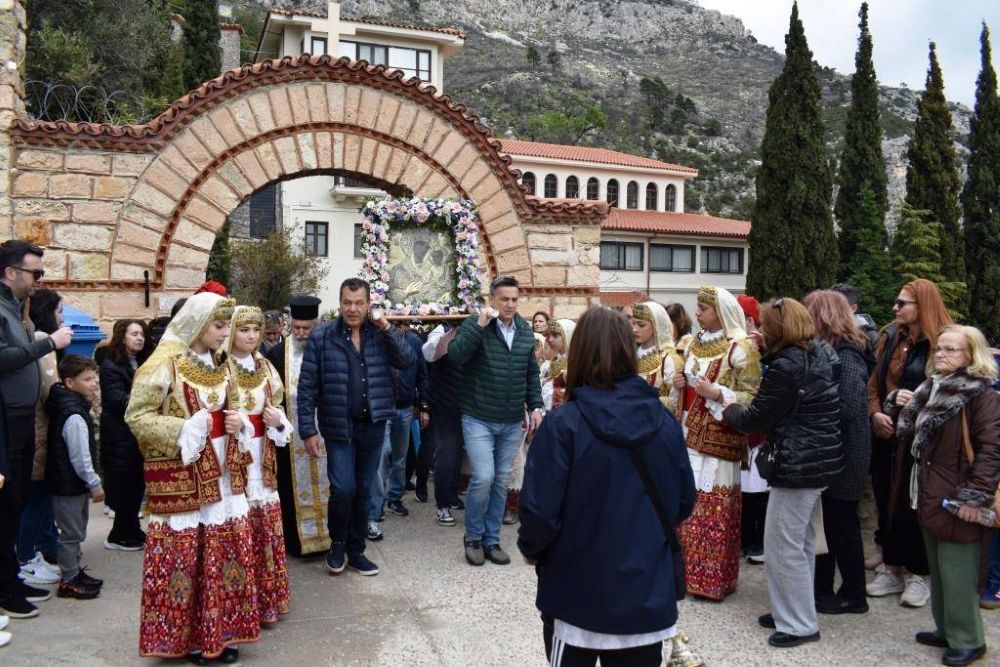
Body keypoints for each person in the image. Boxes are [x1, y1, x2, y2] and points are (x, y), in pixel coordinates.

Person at [518, 307, 696, 666]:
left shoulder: (563, 425)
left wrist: (532, 548)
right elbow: (683, 501)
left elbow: (540, 510)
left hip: (577, 588)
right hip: (644, 588)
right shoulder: (662, 421)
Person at [125, 293, 259, 663]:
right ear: (198, 324)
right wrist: (184, 429)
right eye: (218, 326)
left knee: (223, 552)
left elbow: (233, 407)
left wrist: (237, 421)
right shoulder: (164, 364)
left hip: (223, 472)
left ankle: (222, 630)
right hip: (185, 476)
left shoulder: (224, 365)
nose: (223, 333)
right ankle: (189, 638)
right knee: (189, 556)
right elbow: (137, 416)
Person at [723, 298, 844, 648]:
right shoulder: (820, 353)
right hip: (818, 460)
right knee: (801, 544)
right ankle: (789, 611)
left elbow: (754, 419)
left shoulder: (785, 367)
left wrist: (727, 407)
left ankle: (798, 624)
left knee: (781, 547)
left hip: (797, 464)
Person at [885, 325, 1000, 667]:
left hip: (958, 496)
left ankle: (969, 640)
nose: (941, 355)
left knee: (958, 571)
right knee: (938, 566)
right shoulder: (931, 388)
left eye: (951, 350)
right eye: (940, 349)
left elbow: (992, 450)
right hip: (930, 491)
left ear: (971, 356)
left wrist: (974, 496)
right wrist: (897, 402)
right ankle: (946, 629)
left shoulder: (981, 395)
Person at [297, 278, 416, 577]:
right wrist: (308, 430)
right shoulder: (322, 336)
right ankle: (337, 544)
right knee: (343, 489)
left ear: (368, 305)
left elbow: (407, 359)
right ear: (339, 304)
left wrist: (387, 327)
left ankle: (357, 549)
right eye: (347, 302)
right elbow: (308, 385)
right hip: (339, 427)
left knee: (364, 490)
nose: (353, 309)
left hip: (373, 425)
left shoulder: (379, 335)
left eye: (359, 303)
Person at [670, 286, 761, 600]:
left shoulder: (741, 347)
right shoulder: (693, 343)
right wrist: (682, 384)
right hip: (691, 433)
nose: (697, 313)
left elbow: (752, 397)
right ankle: (687, 575)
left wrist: (719, 394)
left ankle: (713, 581)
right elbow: (688, 387)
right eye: (697, 307)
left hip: (721, 440)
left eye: (703, 308)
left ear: (720, 312)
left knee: (715, 506)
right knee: (689, 505)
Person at [867, 279, 953, 607]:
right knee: (888, 499)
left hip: (926, 441)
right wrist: (877, 413)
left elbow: (954, 388)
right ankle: (891, 568)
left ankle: (921, 574)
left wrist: (919, 400)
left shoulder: (943, 342)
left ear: (922, 306)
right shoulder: (891, 337)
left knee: (917, 503)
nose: (895, 308)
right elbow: (872, 384)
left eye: (902, 303)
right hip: (888, 434)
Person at [447, 276, 544, 567]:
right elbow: (456, 355)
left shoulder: (525, 332)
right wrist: (479, 325)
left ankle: (491, 540)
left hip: (512, 420)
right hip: (478, 417)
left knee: (501, 481)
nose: (510, 304)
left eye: (514, 299)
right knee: (484, 477)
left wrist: (536, 405)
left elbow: (531, 374)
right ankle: (473, 538)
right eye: (504, 299)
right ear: (493, 300)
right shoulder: (477, 325)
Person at [0, 240, 73, 620]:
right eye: (35, 273)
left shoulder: (16, 309)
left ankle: (10, 577)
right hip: (6, 420)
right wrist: (46, 345)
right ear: (11, 272)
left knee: (17, 500)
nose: (38, 281)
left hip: (21, 417)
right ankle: (5, 586)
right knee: (7, 502)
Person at [803, 290, 873, 615]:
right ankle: (822, 591)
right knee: (827, 525)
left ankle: (854, 595)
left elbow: (849, 404)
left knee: (842, 526)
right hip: (833, 450)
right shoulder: (829, 350)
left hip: (846, 453)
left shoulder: (848, 353)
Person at [226, 305, 293, 625]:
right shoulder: (221, 368)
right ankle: (241, 602)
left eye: (255, 330)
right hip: (233, 452)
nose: (252, 336)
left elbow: (277, 406)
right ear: (232, 332)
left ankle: (268, 600)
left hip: (262, 453)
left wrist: (276, 420)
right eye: (244, 330)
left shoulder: (266, 367)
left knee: (264, 525)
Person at [266, 295, 331, 557]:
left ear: (317, 324)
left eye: (308, 328)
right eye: (297, 328)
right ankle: (296, 541)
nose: (302, 334)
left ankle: (330, 538)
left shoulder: (330, 347)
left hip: (326, 430)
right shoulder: (276, 353)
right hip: (290, 436)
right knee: (290, 486)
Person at [45, 355, 105, 600]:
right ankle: (68, 580)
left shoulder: (73, 405)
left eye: (95, 377)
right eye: (88, 379)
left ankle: (74, 571)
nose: (94, 383)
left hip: (71, 483)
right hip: (69, 485)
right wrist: (94, 483)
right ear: (70, 383)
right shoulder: (74, 415)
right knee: (71, 534)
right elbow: (80, 457)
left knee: (76, 531)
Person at [16, 288, 62, 586]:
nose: (61, 317)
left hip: (37, 429)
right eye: (59, 311)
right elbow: (49, 389)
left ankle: (38, 552)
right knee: (36, 498)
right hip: (39, 432)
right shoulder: (43, 340)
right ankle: (27, 558)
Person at [367, 321, 429, 540]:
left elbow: (422, 374)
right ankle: (375, 508)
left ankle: (395, 497)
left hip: (404, 407)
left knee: (400, 457)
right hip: (383, 407)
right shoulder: (376, 340)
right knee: (381, 455)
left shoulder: (413, 342)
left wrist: (423, 405)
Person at [99, 319, 152, 551]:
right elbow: (117, 400)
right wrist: (148, 401)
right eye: (134, 334)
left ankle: (131, 529)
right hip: (119, 436)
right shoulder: (111, 365)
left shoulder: (141, 362)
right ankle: (118, 535)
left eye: (141, 333)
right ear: (122, 336)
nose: (139, 338)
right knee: (125, 487)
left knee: (135, 486)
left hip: (135, 436)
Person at [421, 324, 466, 527]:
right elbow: (431, 353)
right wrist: (453, 330)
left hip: (469, 405)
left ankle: (453, 494)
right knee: (446, 454)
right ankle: (443, 504)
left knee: (459, 456)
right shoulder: (441, 329)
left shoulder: (478, 327)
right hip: (444, 404)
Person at [633, 302, 683, 413]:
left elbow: (675, 401)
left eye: (641, 325)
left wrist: (641, 404)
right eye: (634, 324)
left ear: (657, 326)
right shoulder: (630, 353)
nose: (634, 329)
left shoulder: (669, 359)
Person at [831, 283, 879, 352]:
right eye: (830, 306)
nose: (832, 311)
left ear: (853, 308)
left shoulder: (870, 337)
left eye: (838, 307)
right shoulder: (825, 333)